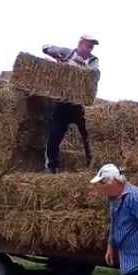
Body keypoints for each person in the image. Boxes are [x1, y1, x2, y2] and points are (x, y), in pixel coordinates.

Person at [42, 35, 100, 173]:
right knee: (54, 135)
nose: (90, 48)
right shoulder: (67, 52)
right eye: (88, 45)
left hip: (80, 106)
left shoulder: (93, 60)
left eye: (92, 46)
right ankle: (52, 166)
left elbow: (92, 74)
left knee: (87, 136)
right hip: (63, 102)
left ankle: (91, 165)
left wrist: (75, 65)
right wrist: (56, 57)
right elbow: (45, 47)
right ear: (80, 44)